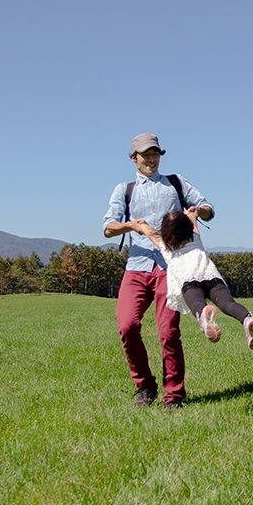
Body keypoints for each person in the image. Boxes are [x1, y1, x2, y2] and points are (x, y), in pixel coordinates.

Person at [103, 133, 214, 409]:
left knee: (168, 332)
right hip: (137, 267)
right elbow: (108, 228)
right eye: (145, 155)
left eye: (155, 154)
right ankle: (144, 386)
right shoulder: (124, 190)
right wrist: (133, 226)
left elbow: (208, 208)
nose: (151, 160)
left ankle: (174, 395)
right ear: (134, 158)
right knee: (127, 326)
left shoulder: (175, 183)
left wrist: (201, 211)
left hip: (170, 268)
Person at [133, 208, 253, 350]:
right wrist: (192, 213)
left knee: (196, 303)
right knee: (228, 304)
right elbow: (192, 219)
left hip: (189, 281)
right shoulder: (195, 238)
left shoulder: (166, 246)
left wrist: (141, 225)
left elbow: (152, 234)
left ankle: (203, 315)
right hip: (211, 276)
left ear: (165, 231)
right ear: (188, 228)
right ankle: (247, 318)